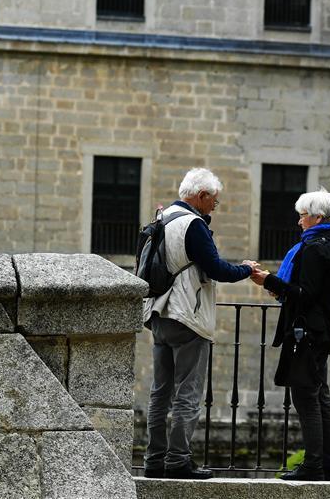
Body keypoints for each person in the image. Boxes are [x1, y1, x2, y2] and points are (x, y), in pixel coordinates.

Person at [142, 167, 260, 480]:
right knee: (188, 393)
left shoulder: (162, 218)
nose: (213, 208)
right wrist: (246, 269)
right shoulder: (192, 224)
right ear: (201, 196)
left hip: (159, 312)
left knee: (160, 393)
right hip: (187, 317)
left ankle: (153, 460)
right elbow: (217, 268)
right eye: (214, 202)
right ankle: (178, 461)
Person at [251, 187, 330, 481]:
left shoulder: (314, 248)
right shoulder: (329, 244)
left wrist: (271, 281)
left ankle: (314, 465)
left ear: (316, 217)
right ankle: (329, 465)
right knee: (321, 397)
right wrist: (274, 283)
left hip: (308, 333)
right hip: (320, 331)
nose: (299, 221)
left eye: (303, 216)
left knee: (306, 397)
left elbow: (304, 294)